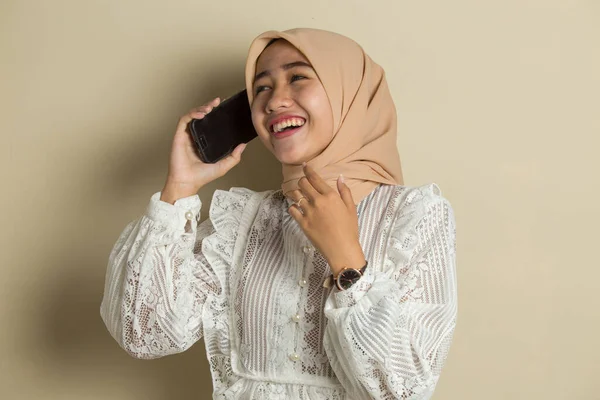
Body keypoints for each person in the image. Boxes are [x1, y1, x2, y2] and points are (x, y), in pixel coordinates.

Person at [100, 28, 457, 400]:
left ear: (348, 93)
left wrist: (346, 258)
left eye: (298, 77)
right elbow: (144, 334)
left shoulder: (414, 215)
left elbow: (403, 388)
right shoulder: (242, 222)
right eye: (261, 88)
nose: (273, 102)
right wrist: (179, 187)